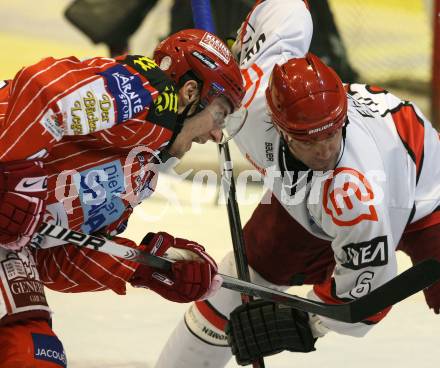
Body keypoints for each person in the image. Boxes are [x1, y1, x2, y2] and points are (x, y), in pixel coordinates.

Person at [155, 1, 440, 367]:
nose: (323, 151)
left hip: (424, 189)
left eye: (331, 134)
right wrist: (235, 46)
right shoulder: (245, 99)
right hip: (307, 200)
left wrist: (306, 323)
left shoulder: (354, 196)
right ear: (279, 126)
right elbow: (287, 7)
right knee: (231, 289)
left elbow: (372, 292)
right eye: (308, 139)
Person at [0, 29, 244, 367]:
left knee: (32, 350)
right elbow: (40, 89)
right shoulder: (148, 91)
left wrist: (149, 266)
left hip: (8, 247)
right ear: (190, 92)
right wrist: (16, 180)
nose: (217, 134)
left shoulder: (139, 177)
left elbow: (55, 260)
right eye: (219, 114)